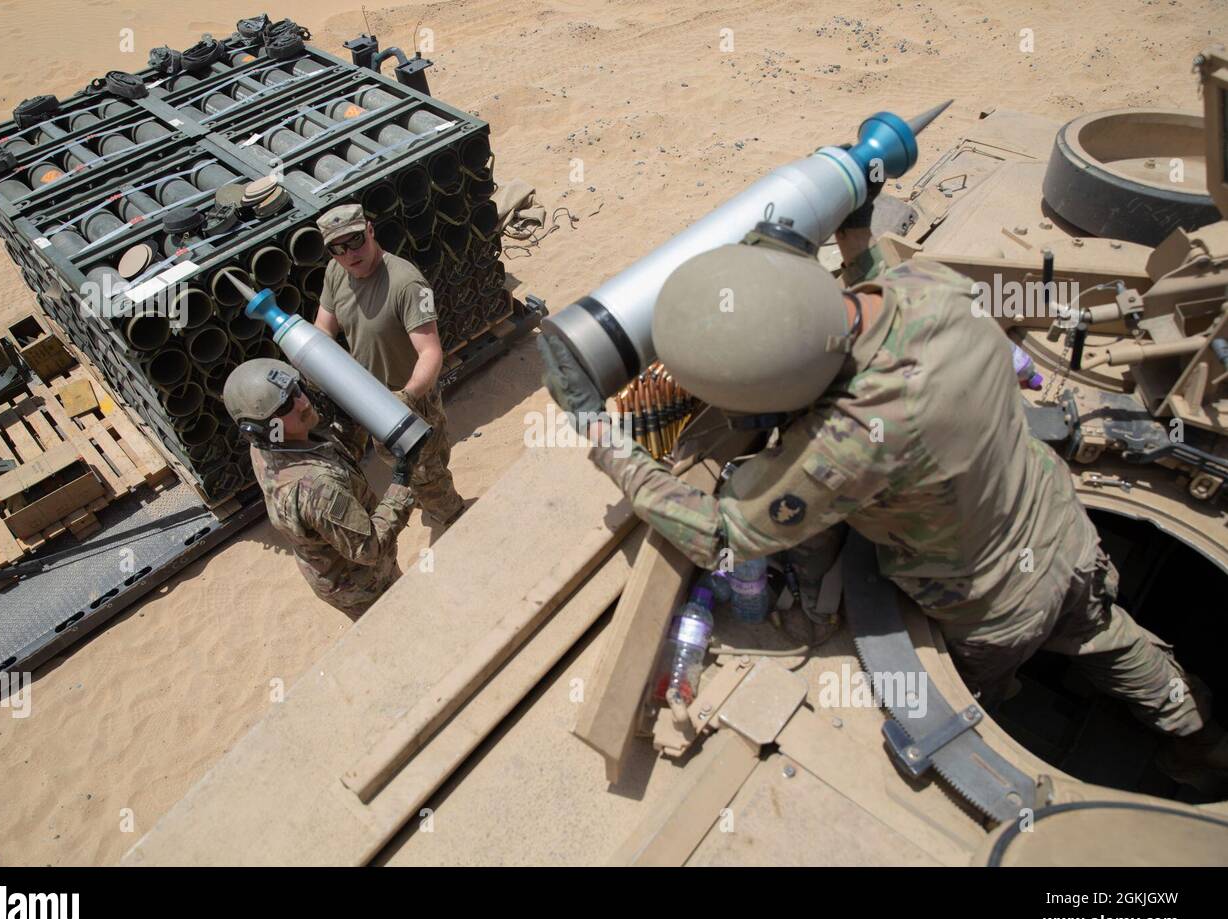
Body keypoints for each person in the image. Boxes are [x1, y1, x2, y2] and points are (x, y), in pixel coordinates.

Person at [538, 222, 1227, 792]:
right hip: (1066, 535)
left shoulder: (849, 443)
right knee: (1106, 635)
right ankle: (1202, 736)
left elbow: (724, 535)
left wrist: (603, 435)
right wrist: (857, 237)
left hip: (992, 611)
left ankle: (1013, 704)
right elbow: (874, 289)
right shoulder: (930, 287)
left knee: (977, 703)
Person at [223, 358, 415, 618]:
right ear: (263, 427)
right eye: (287, 404)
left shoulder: (271, 442)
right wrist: (401, 485)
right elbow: (369, 549)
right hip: (364, 584)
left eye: (297, 389)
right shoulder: (317, 488)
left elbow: (335, 460)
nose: (303, 402)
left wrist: (350, 423)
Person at [311, 203, 465, 525]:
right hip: (370, 398)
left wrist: (407, 398)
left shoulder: (406, 283)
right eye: (338, 248)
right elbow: (324, 328)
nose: (350, 253)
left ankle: (455, 521)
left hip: (409, 400)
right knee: (403, 465)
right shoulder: (336, 272)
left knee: (428, 472)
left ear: (370, 230)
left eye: (355, 240)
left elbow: (431, 352)